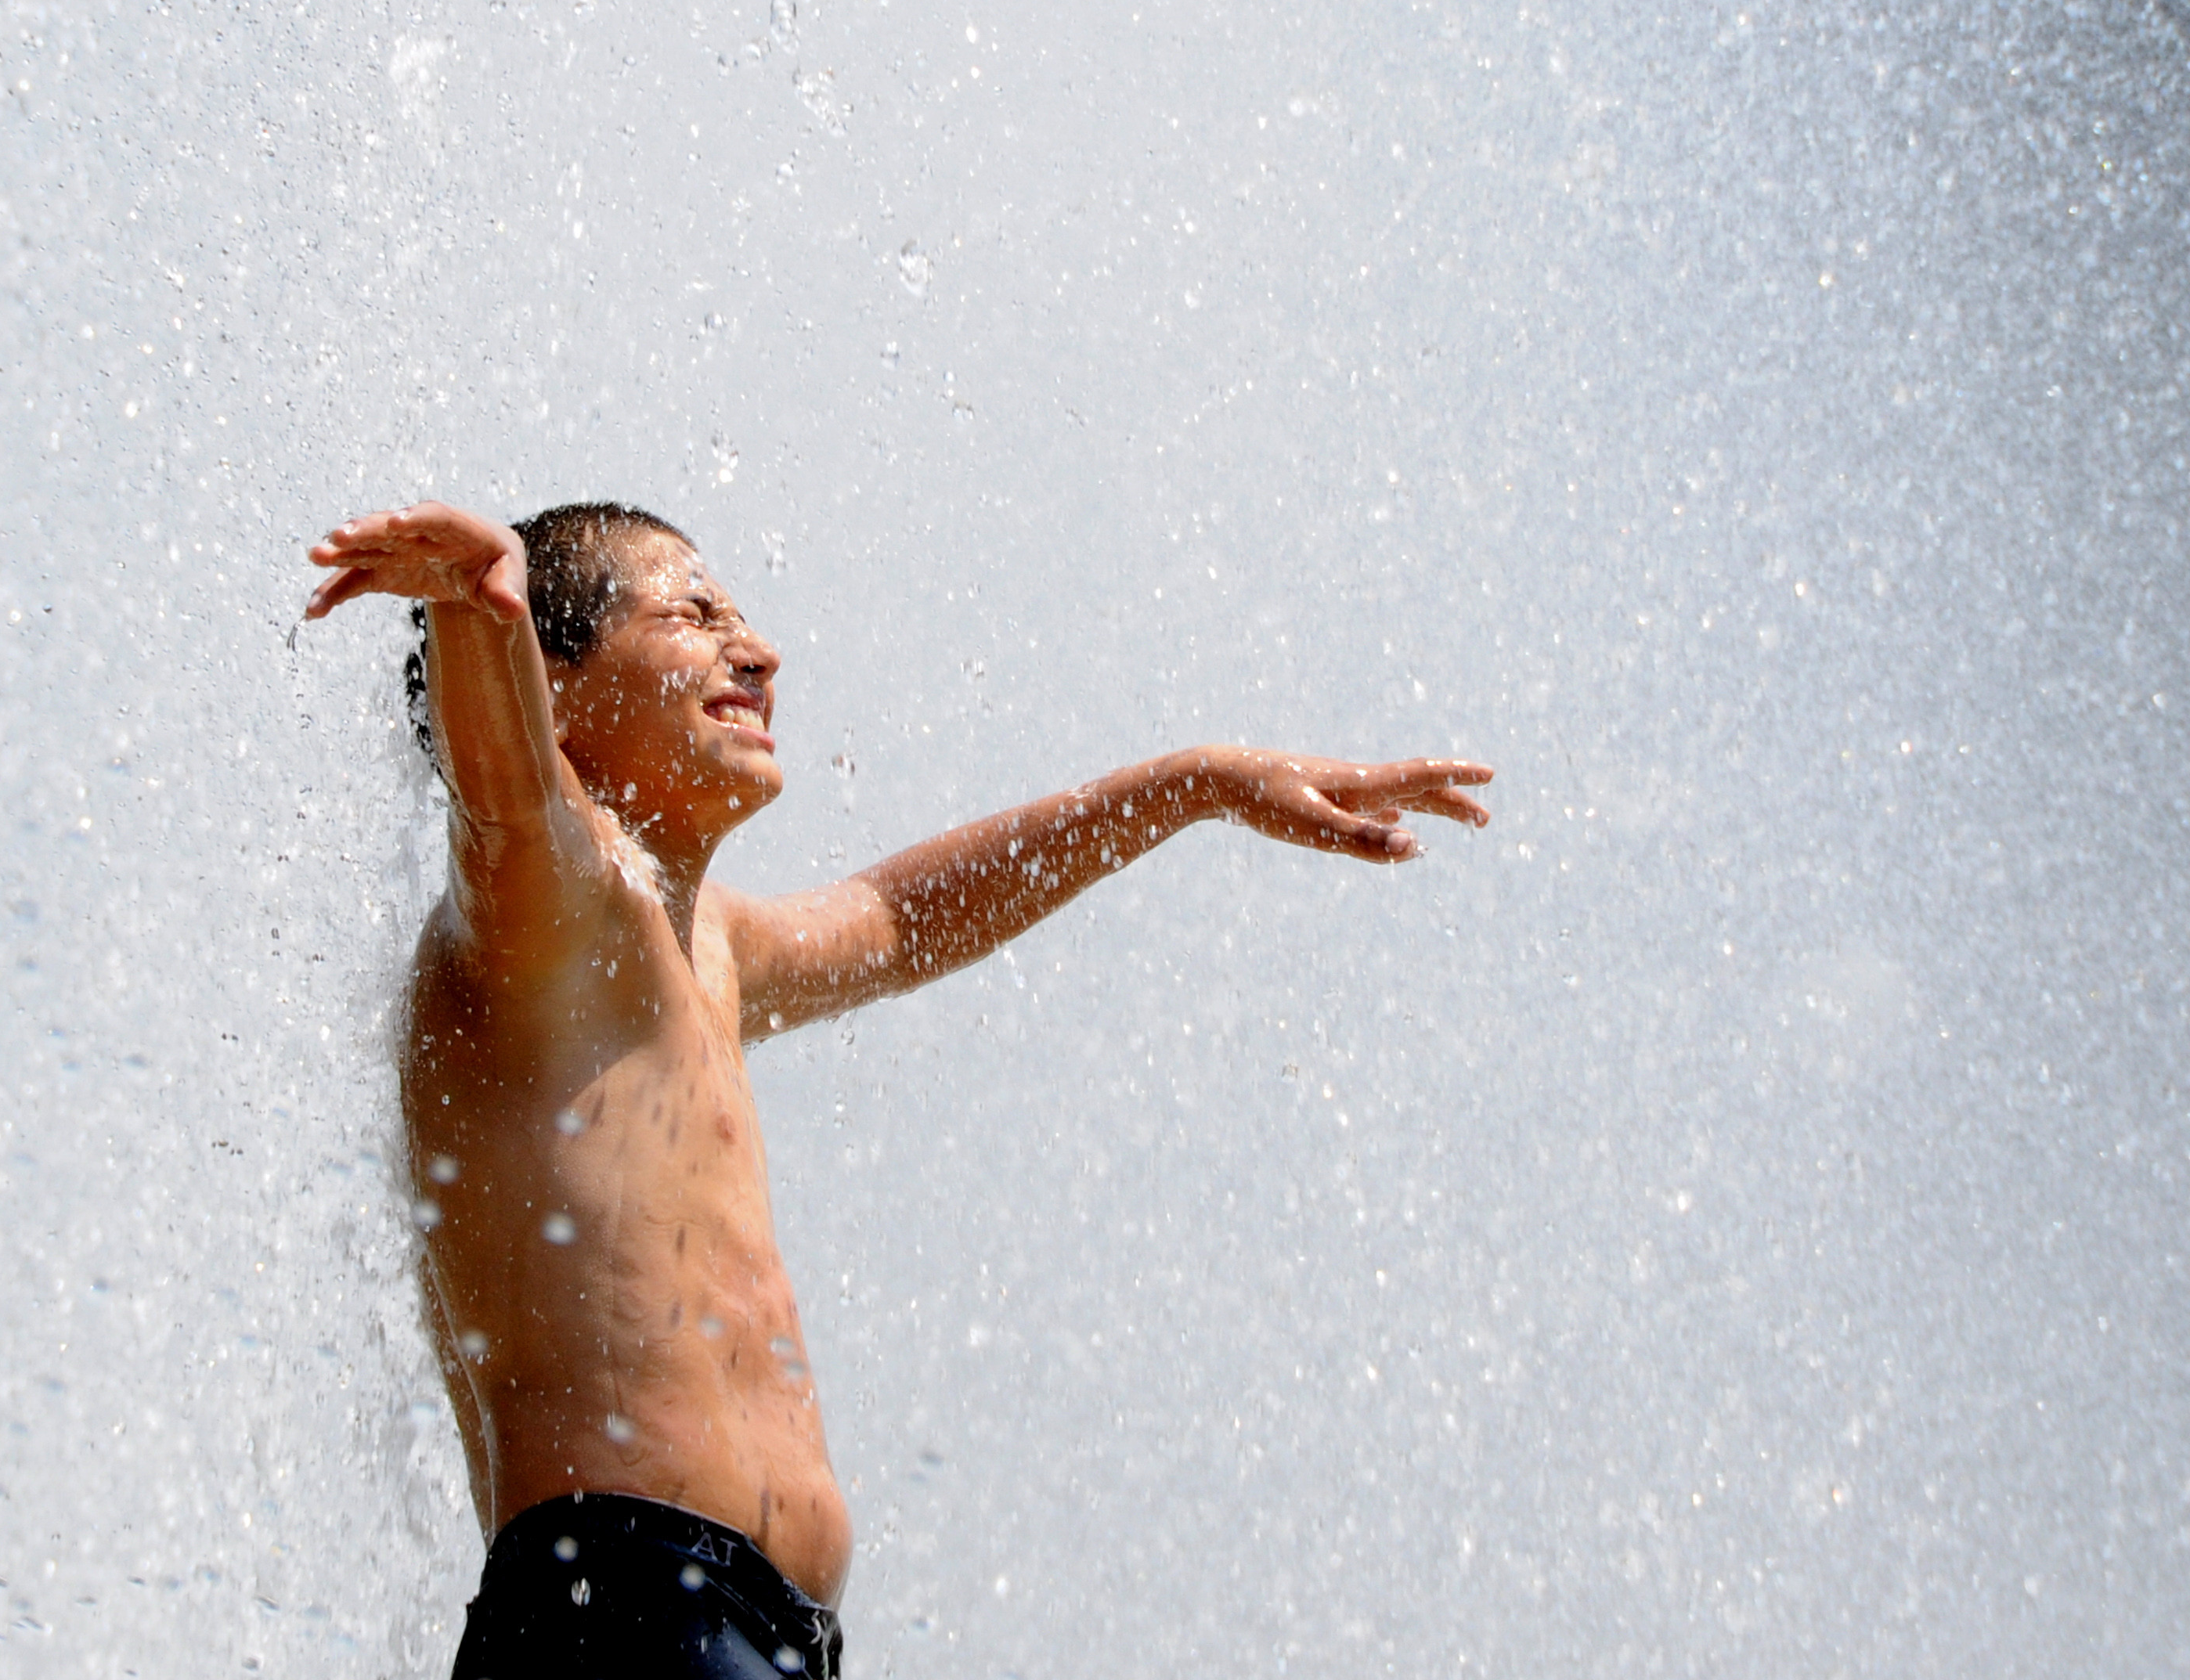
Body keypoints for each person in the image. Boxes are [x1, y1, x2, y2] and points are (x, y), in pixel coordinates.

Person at [302, 499, 1495, 1678]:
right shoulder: (542, 915)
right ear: (554, 688)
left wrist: (1195, 784)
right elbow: (506, 800)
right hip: (619, 1609)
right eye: (694, 613)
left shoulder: (704, 945)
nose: (757, 650)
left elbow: (896, 917)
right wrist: (479, 609)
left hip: (746, 1627)